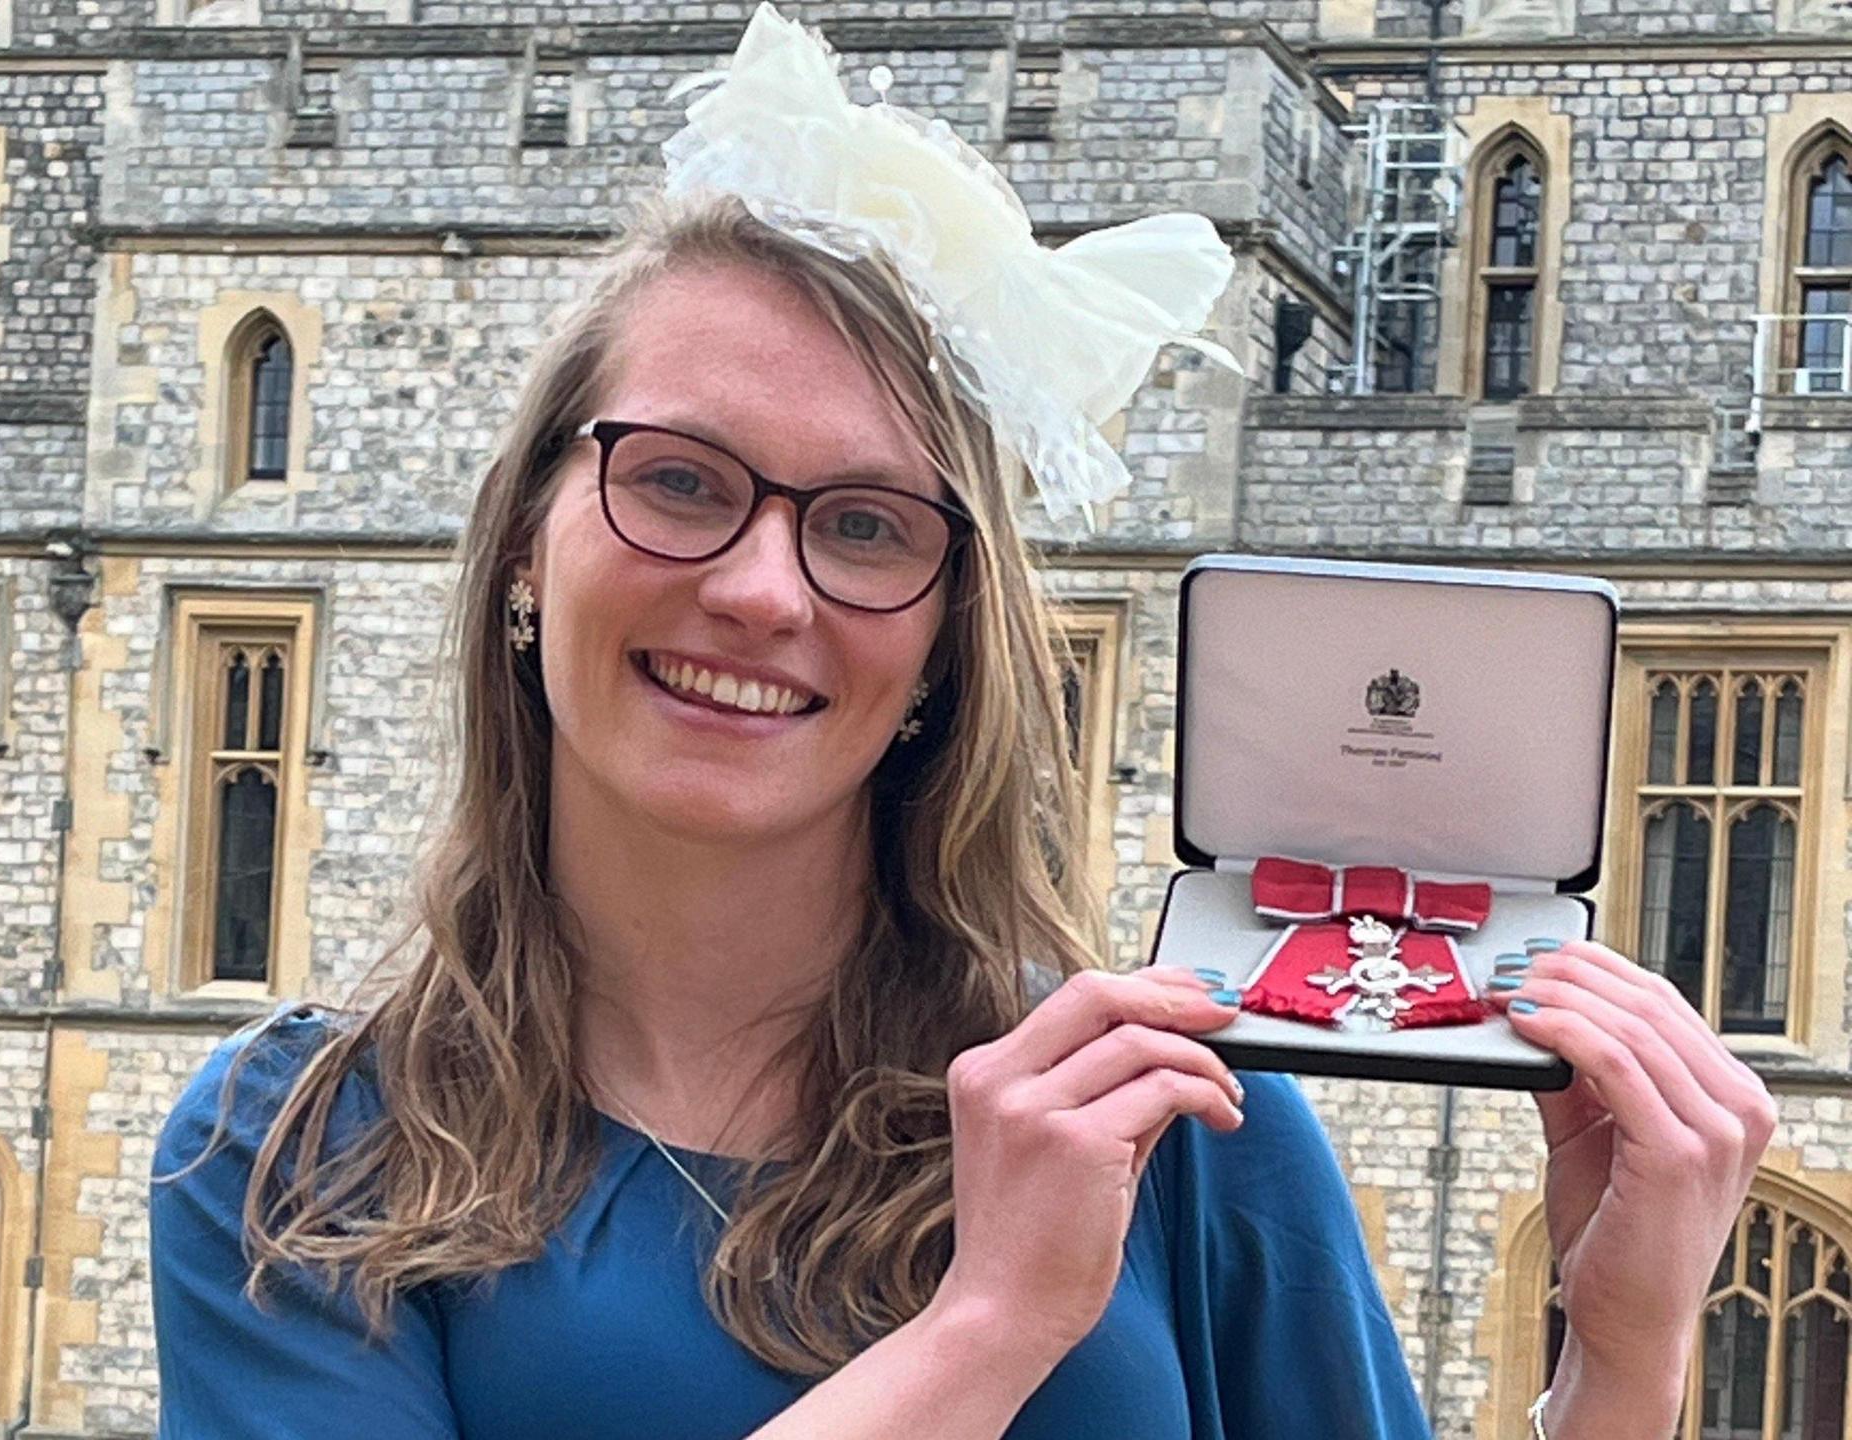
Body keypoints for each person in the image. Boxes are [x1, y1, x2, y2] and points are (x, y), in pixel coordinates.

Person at [150, 9, 1773, 1437]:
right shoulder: (284, 1156)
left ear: (941, 636)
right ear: (525, 539)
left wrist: (1618, 1371)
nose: (763, 591)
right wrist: (989, 1330)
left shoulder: (1182, 1117)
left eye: (865, 525)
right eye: (679, 482)